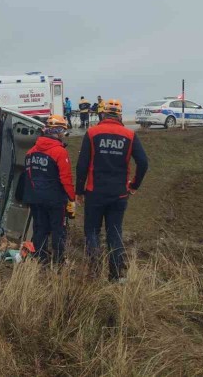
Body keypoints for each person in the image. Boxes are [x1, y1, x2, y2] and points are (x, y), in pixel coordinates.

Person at [76, 99, 148, 281]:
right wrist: (134, 185)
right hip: (119, 194)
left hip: (95, 192)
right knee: (114, 232)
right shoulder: (129, 135)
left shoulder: (92, 133)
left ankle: (94, 272)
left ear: (103, 114)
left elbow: (82, 165)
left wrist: (79, 190)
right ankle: (116, 276)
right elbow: (144, 163)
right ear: (120, 115)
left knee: (92, 230)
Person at [22, 115, 75, 264]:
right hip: (55, 200)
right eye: (63, 132)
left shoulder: (30, 152)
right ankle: (58, 263)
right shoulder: (60, 152)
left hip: (35, 199)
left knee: (40, 230)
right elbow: (66, 178)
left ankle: (41, 261)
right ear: (58, 131)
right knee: (58, 230)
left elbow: (27, 176)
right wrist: (72, 198)